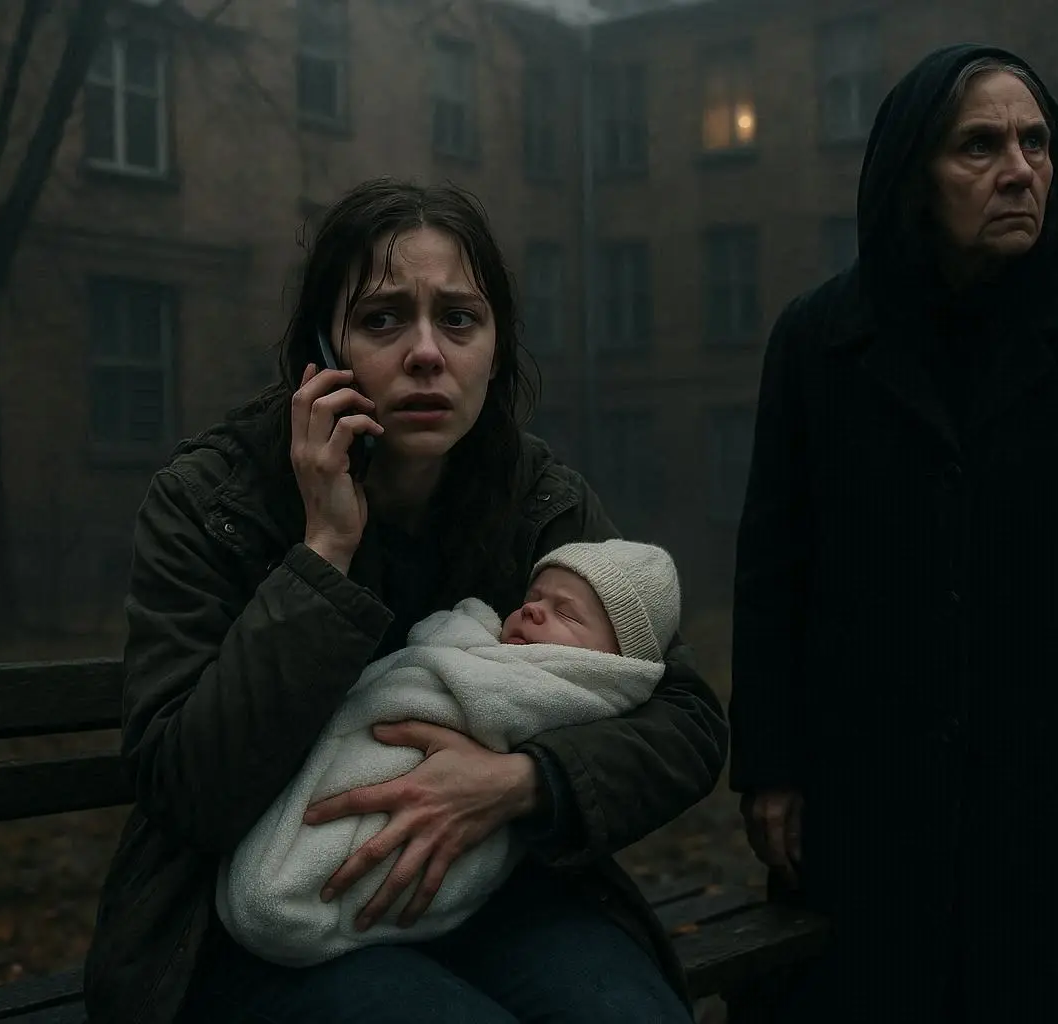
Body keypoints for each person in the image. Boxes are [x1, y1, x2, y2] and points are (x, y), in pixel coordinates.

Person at [81, 179, 725, 1024]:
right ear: (324, 348)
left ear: (496, 350)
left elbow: (684, 719)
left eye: (459, 319)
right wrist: (323, 553)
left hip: (493, 888)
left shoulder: (537, 498)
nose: (427, 352)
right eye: (384, 319)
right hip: (256, 921)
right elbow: (187, 791)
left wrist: (520, 782)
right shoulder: (214, 499)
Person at [728, 44, 1058, 1023]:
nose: (1020, 169)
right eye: (980, 146)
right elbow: (773, 576)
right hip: (870, 798)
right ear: (914, 173)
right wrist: (770, 768)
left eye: (1035, 143)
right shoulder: (819, 344)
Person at [218, 540, 681, 967]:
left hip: (508, 890)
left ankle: (290, 893)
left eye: (567, 614)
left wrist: (522, 777)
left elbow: (683, 726)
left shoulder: (576, 695)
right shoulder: (482, 646)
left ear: (612, 663)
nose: (534, 611)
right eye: (534, 597)